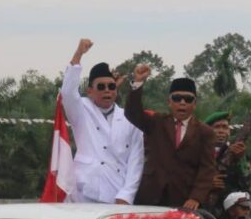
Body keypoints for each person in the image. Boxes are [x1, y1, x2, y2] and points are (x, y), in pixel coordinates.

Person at [60, 39, 145, 204]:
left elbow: (136, 160)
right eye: (101, 87)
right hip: (82, 192)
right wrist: (78, 54)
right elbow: (68, 92)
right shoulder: (81, 109)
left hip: (117, 192)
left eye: (111, 87)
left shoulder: (129, 118)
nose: (107, 90)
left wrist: (126, 195)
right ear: (90, 91)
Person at [125, 76, 216, 209]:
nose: (182, 102)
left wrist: (195, 197)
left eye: (188, 99)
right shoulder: (156, 122)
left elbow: (207, 168)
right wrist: (138, 82)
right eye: (177, 98)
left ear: (195, 103)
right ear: (169, 102)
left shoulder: (205, 132)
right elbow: (132, 113)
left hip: (184, 201)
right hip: (150, 196)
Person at [205, 111, 251, 216]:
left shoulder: (236, 153)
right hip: (204, 210)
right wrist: (206, 184)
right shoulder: (198, 152)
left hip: (231, 213)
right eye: (217, 127)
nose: (221, 131)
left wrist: (240, 160)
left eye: (225, 127)